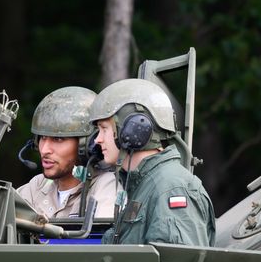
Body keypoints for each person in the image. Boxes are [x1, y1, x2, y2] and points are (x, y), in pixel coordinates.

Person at [88, 78, 215, 246]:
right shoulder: (143, 184)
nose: (97, 139)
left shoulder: (171, 188)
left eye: (104, 129)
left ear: (133, 130)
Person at [16, 86, 118, 219]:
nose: (45, 150)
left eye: (58, 139)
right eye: (43, 138)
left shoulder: (105, 186)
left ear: (88, 144)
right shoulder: (38, 185)